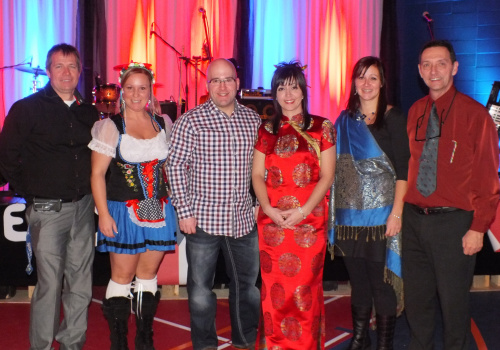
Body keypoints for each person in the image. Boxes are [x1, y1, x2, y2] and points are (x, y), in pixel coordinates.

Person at [0, 43, 99, 350]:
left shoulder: (89, 112)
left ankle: (71, 342)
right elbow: (5, 156)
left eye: (72, 66)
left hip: (84, 208)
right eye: (59, 66)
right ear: (48, 70)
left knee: (81, 286)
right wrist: (29, 191)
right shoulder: (26, 108)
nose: (66, 72)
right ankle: (41, 346)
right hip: (47, 209)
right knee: (50, 285)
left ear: (80, 71)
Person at [403, 39, 499, 350]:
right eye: (427, 64)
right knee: (417, 304)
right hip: (414, 222)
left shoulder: (476, 116)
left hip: (455, 225)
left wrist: (478, 228)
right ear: (419, 71)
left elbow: (488, 179)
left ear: (454, 68)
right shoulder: (416, 111)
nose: (434, 70)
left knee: (454, 307)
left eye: (441, 63)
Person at [166, 58, 261, 350]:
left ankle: (245, 340)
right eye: (215, 80)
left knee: (247, 289)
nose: (222, 86)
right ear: (207, 86)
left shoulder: (253, 120)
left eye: (228, 79)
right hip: (202, 221)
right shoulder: (190, 120)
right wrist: (184, 212)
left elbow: (262, 168)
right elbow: (175, 167)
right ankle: (205, 345)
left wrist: (259, 201)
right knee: (199, 292)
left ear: (237, 83)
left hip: (244, 221)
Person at [89, 62, 177, 350]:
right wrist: (103, 213)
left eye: (142, 88)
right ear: (121, 91)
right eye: (130, 88)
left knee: (148, 276)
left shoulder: (163, 122)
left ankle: (144, 338)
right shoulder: (109, 127)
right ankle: (119, 342)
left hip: (159, 210)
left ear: (151, 91)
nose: (136, 94)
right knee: (122, 277)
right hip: (121, 212)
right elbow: (97, 174)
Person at [252, 61, 336, 349]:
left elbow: (327, 177)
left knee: (304, 293)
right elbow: (256, 175)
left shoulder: (321, 127)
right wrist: (268, 209)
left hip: (308, 226)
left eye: (294, 86)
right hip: (273, 226)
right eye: (281, 87)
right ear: (274, 93)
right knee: (273, 295)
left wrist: (302, 211)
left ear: (303, 91)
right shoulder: (265, 130)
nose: (288, 93)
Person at [328, 56, 409, 350]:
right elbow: (334, 167)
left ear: (382, 83)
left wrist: (397, 213)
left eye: (373, 77)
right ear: (353, 83)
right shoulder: (343, 121)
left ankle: (384, 344)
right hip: (349, 218)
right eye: (361, 77)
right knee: (359, 283)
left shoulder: (394, 118)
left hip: (383, 216)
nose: (366, 83)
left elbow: (404, 168)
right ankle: (360, 339)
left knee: (382, 284)